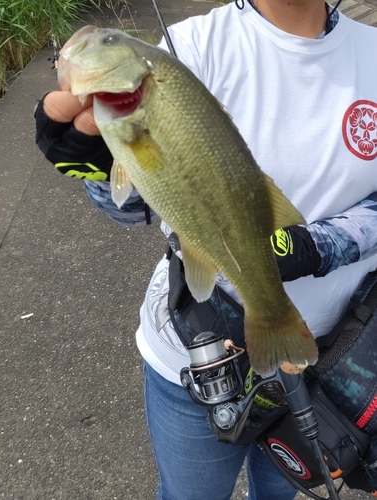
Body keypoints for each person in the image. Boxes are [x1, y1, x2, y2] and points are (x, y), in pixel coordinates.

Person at [35, 0, 377, 498]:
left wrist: (317, 246)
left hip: (330, 365)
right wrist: (93, 165)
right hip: (195, 358)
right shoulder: (187, 49)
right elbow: (139, 210)